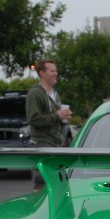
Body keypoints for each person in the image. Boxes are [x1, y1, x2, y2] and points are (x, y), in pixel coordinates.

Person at [25, 59, 73, 190]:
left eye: (56, 71)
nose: (56, 73)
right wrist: (57, 115)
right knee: (41, 186)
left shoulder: (55, 94)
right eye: (52, 71)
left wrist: (64, 117)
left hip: (56, 145)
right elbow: (34, 119)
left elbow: (55, 117)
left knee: (56, 185)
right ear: (42, 73)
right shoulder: (35, 93)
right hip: (42, 145)